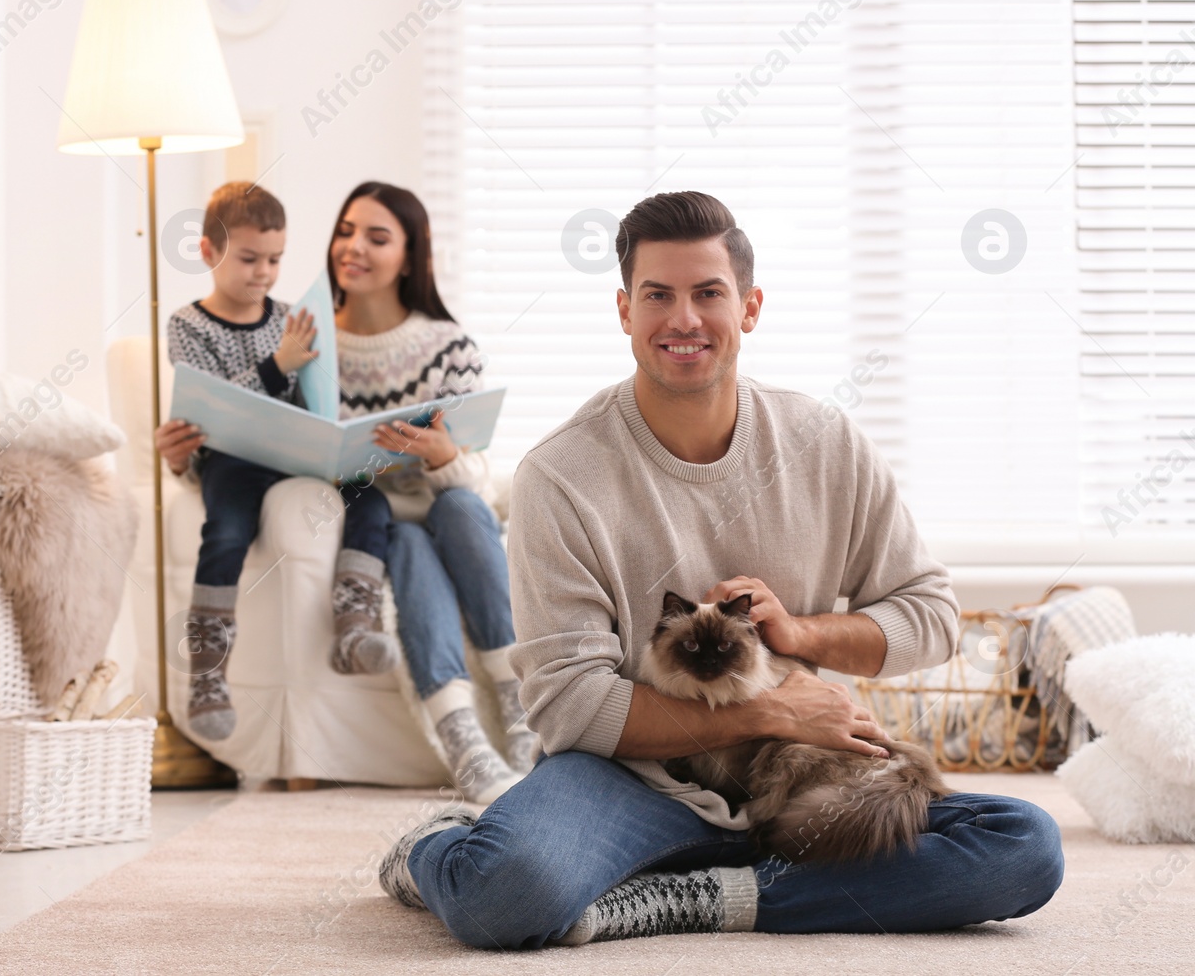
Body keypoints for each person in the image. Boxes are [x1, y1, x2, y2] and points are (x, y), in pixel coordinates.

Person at [377, 190, 1064, 946]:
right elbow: (568, 706)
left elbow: (931, 616)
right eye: (657, 296)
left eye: (708, 293)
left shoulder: (826, 441)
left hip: (796, 776)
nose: (683, 319)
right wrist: (768, 708)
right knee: (505, 894)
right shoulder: (561, 475)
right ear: (624, 311)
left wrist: (800, 632)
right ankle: (431, 849)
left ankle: (703, 897)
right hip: (631, 778)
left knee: (1024, 846)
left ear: (750, 307)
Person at [155, 181, 400, 743]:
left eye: (274, 259)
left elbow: (313, 394)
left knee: (371, 495)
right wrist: (278, 362)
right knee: (226, 531)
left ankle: (354, 628)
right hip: (231, 459)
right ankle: (208, 673)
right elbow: (215, 404)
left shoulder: (293, 317)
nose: (263, 272)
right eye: (248, 258)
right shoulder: (186, 325)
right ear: (208, 252)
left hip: (294, 453)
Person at [327, 181, 532, 805]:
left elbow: (474, 482)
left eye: (376, 236)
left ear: (411, 258)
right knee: (409, 544)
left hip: (454, 512)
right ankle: (465, 744)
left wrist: (446, 459)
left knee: (462, 503)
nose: (353, 247)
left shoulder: (450, 347)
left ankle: (523, 717)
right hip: (382, 525)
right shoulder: (309, 349)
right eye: (345, 231)